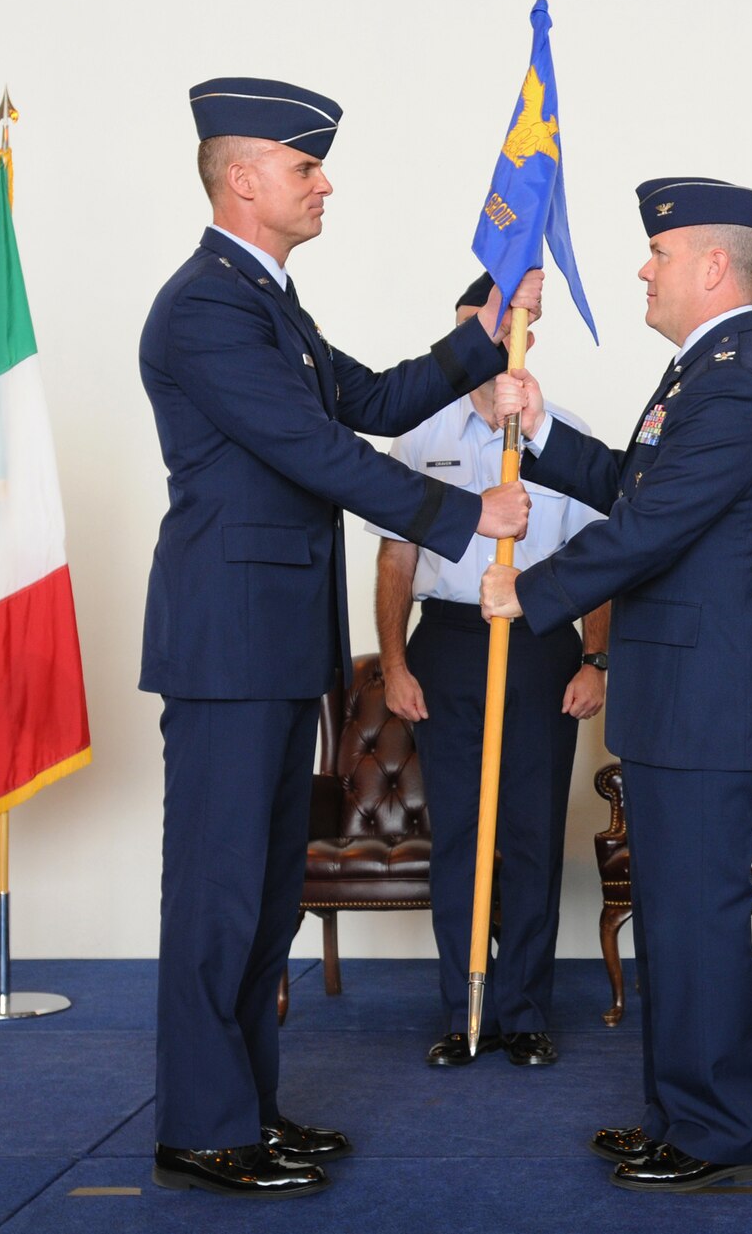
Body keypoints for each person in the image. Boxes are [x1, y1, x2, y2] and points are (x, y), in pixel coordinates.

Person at [138, 76, 540, 1200]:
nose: (325, 184)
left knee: (264, 895)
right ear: (242, 178)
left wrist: (478, 338)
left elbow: (367, 399)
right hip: (227, 647)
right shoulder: (206, 306)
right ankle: (202, 1128)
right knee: (219, 893)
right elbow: (315, 452)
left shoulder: (266, 301)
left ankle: (245, 1110)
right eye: (304, 166)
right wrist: (468, 515)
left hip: (269, 644)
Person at [481, 178, 752, 1193]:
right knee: (672, 916)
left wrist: (527, 591)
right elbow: (637, 485)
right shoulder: (703, 371)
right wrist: (540, 428)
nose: (641, 268)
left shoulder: (735, 381)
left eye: (658, 254)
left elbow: (648, 530)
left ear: (711, 266)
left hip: (704, 698)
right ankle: (678, 1113)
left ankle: (718, 1133)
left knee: (695, 918)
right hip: (678, 693)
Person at [369, 272, 611, 1071]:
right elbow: (396, 561)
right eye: (470, 327)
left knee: (534, 834)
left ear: (525, 339)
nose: (482, 343)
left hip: (539, 641)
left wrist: (594, 661)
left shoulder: (563, 436)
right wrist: (395, 662)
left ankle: (526, 1012)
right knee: (459, 838)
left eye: (500, 328)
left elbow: (599, 563)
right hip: (448, 643)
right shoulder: (419, 438)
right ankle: (463, 1010)